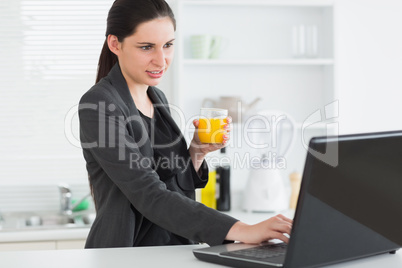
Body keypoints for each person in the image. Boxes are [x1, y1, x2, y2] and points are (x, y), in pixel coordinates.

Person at [79, 0, 292, 248]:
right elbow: (148, 192)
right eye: (147, 47)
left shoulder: (156, 98)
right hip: (126, 254)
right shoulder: (100, 104)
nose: (162, 60)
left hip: (175, 249)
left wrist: (196, 152)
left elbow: (171, 186)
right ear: (115, 44)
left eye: (168, 45)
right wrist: (243, 229)